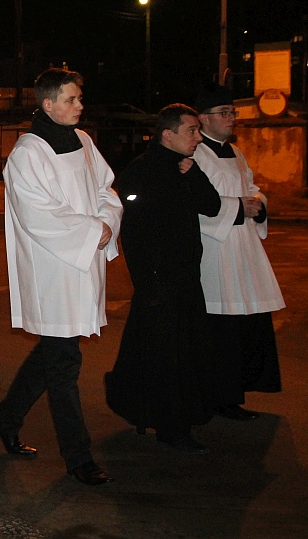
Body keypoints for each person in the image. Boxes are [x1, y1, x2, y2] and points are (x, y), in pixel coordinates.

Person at [0, 68, 121, 486]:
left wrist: (105, 222)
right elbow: (37, 214)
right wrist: (89, 231)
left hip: (83, 261)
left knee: (54, 354)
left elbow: (106, 189)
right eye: (72, 99)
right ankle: (78, 457)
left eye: (79, 98)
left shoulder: (82, 141)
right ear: (48, 104)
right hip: (53, 270)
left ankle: (4, 418)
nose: (80, 105)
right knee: (64, 364)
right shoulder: (27, 153)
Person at [105, 103, 222, 453]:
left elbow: (212, 206)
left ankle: (151, 413)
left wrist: (194, 174)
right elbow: (134, 232)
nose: (198, 138)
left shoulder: (184, 167)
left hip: (186, 279)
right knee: (164, 358)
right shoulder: (141, 172)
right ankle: (171, 428)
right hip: (159, 283)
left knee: (179, 352)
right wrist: (148, 282)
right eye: (191, 131)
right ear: (168, 134)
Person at [193, 86, 284, 420]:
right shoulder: (196, 154)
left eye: (233, 112)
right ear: (203, 118)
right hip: (216, 252)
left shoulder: (237, 152)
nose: (231, 118)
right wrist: (236, 208)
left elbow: (251, 186)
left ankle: (236, 393)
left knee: (246, 325)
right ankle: (218, 396)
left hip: (243, 247)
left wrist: (259, 205)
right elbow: (196, 204)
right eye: (224, 112)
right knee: (221, 329)